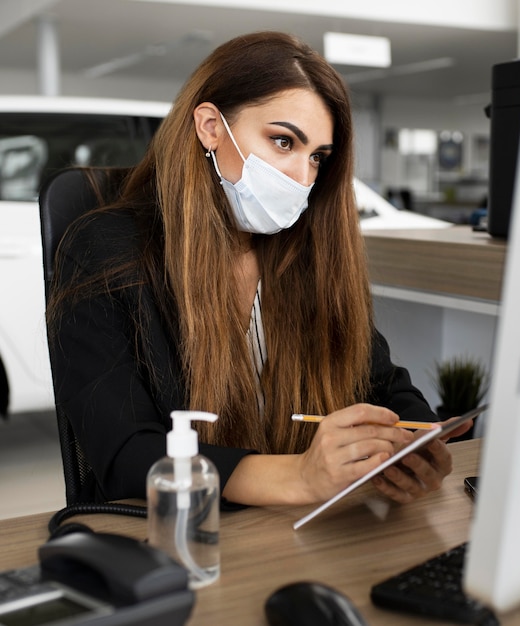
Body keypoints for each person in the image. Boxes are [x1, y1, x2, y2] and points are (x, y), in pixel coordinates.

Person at [47, 31, 471, 508]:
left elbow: (383, 386)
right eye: (283, 141)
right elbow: (126, 456)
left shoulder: (305, 253)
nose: (303, 178)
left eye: (317, 158)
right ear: (210, 126)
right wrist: (300, 477)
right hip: (183, 536)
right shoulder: (107, 249)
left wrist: (410, 443)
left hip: (300, 530)